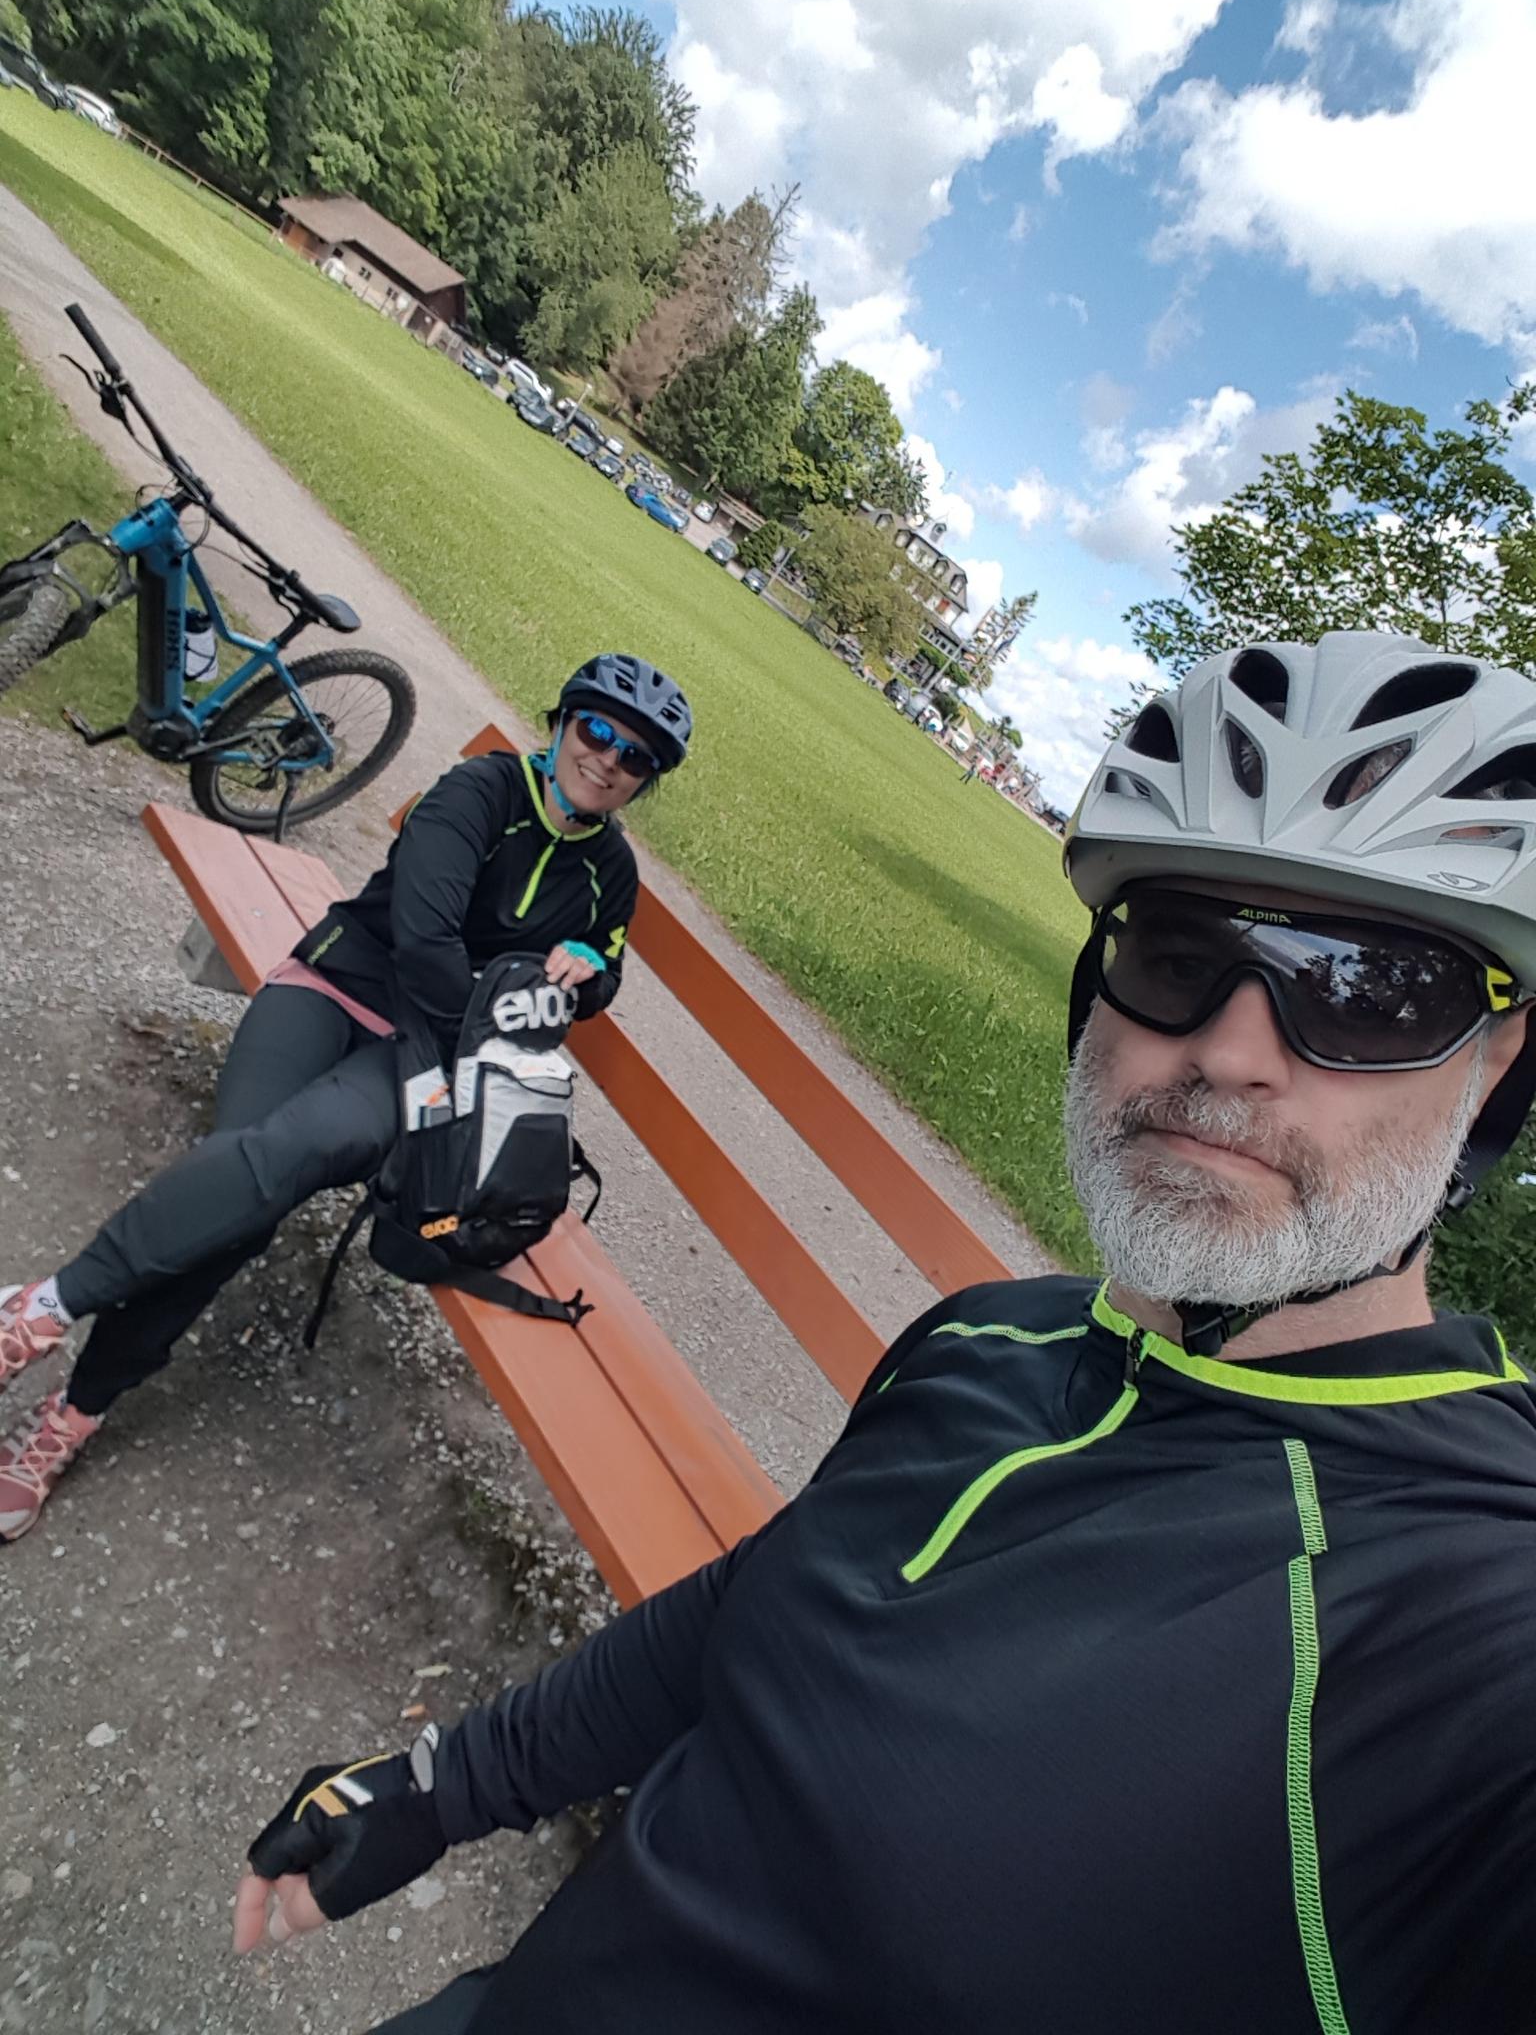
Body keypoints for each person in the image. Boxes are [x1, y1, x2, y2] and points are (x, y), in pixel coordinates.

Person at [234, 632, 1536, 2032]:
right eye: (1177, 952)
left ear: (1498, 1071)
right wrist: (442, 1786)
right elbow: (761, 1604)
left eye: (1367, 991)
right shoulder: (986, 1346)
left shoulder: (1470, 1616)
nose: (1227, 1050)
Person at [0, 654, 691, 1540]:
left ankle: (54, 1351)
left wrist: (588, 971)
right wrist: (499, 1013)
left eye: (636, 757)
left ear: (644, 780)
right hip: (337, 987)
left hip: (428, 1061)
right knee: (248, 1188)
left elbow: (605, 973)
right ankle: (57, 1350)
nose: (608, 759)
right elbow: (424, 942)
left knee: (272, 1168)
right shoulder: (481, 792)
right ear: (562, 723)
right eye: (596, 730)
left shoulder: (610, 871)